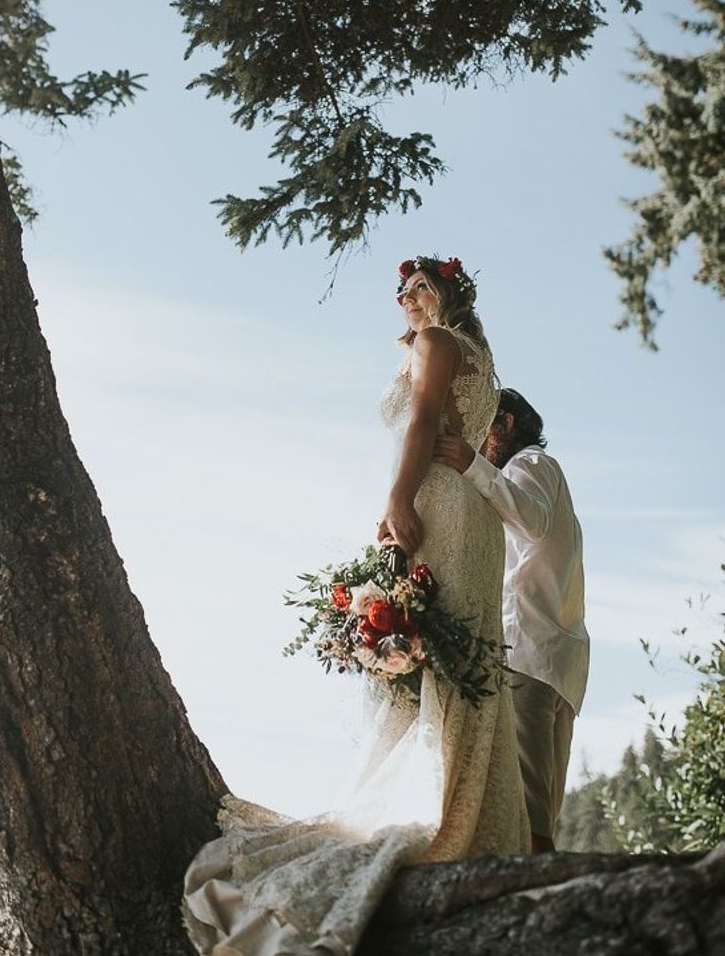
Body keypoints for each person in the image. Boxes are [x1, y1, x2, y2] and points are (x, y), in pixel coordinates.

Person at [182, 256, 529, 956]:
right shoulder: (481, 356)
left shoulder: (438, 343)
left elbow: (426, 421)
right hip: (469, 516)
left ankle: (438, 812)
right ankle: (465, 809)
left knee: (436, 653)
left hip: (439, 504)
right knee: (444, 652)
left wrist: (398, 500)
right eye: (401, 291)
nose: (406, 299)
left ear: (449, 293)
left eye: (420, 287)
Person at [434, 389, 589, 853]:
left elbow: (533, 523)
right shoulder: (541, 478)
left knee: (530, 819)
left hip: (528, 655)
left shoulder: (532, 465)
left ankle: (536, 911)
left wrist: (468, 464)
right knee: (539, 813)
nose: (479, 444)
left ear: (505, 423)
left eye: (484, 428)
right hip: (556, 663)